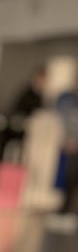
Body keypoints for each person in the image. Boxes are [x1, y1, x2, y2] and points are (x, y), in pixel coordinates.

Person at [47, 81, 78, 233]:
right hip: (71, 148)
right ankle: (65, 211)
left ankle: (68, 212)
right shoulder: (68, 100)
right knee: (69, 179)